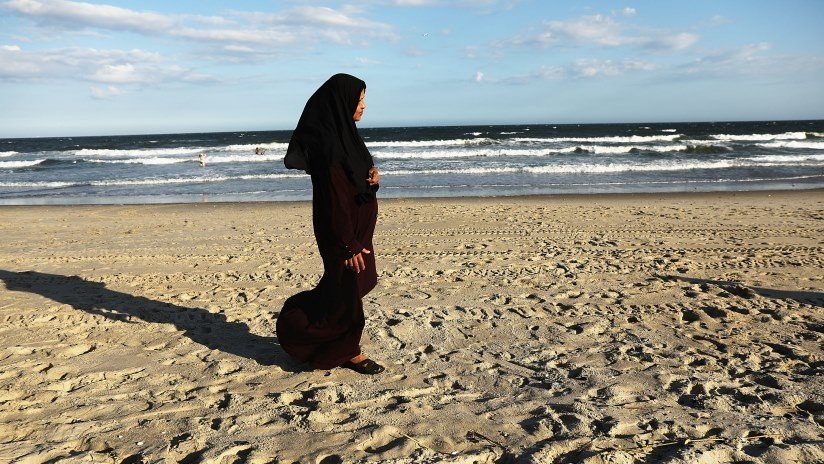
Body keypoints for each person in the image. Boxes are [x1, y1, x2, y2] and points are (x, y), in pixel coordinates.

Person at [276, 73, 384, 375]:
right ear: (342, 102)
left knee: (349, 288)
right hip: (343, 234)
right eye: (359, 99)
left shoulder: (346, 138)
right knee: (347, 292)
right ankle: (346, 350)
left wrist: (373, 181)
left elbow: (355, 185)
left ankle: (319, 339)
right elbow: (333, 201)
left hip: (355, 231)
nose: (363, 106)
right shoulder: (330, 147)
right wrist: (347, 244)